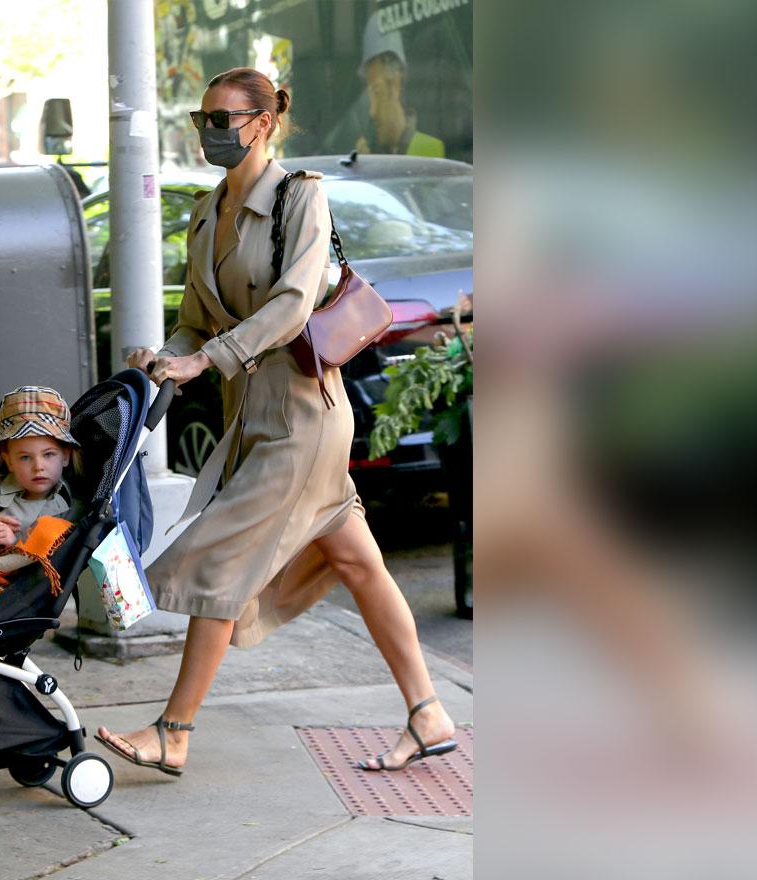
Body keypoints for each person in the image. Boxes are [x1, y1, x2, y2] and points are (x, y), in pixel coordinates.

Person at [94, 67, 456, 775]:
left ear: (263, 123)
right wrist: (164, 357)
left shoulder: (300, 200)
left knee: (221, 562)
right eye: (202, 119)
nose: (209, 133)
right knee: (357, 560)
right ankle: (428, 712)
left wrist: (211, 359)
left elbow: (294, 304)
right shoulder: (205, 214)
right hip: (249, 418)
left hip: (302, 419)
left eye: (223, 120)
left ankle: (174, 730)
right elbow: (195, 321)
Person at [0, 385, 79, 551]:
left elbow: (56, 567)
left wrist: (15, 545)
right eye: (25, 457)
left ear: (65, 456)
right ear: (8, 461)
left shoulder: (74, 512)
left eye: (48, 455)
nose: (38, 467)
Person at [354, 11, 445, 158]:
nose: (372, 111)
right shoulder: (371, 154)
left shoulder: (430, 152)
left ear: (395, 84)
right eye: (368, 96)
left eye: (376, 92)